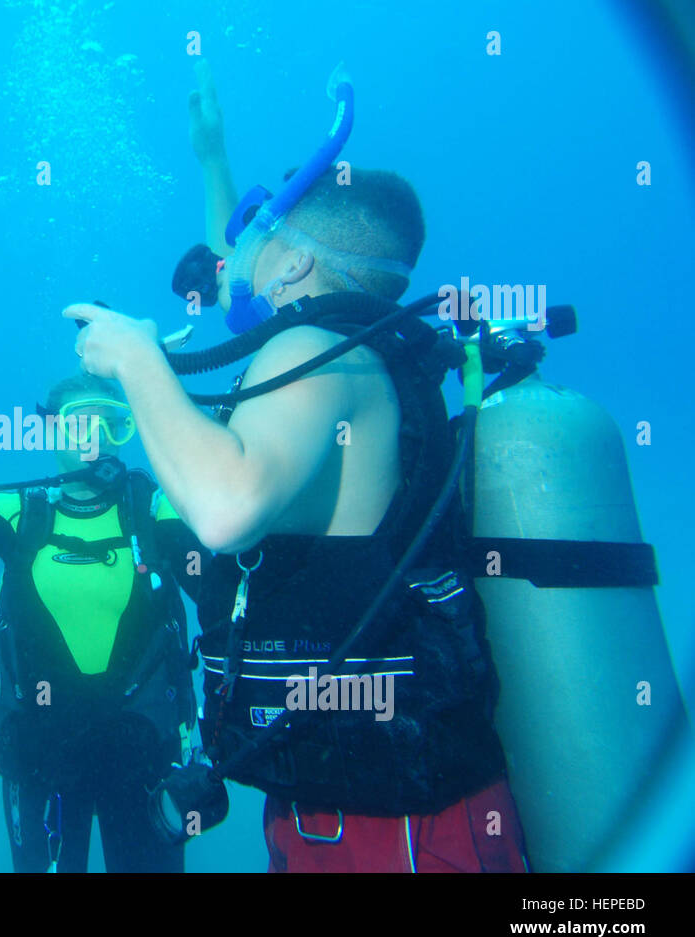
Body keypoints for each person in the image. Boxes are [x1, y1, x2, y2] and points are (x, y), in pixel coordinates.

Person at [65, 64, 528, 872]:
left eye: (261, 239)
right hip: (369, 802)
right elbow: (241, 275)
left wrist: (139, 361)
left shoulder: (315, 353)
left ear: (293, 268)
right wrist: (212, 157)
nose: (233, 258)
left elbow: (224, 509)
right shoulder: (359, 352)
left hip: (394, 830)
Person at [0, 373, 201, 872]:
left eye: (113, 425)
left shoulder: (155, 512)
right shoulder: (17, 511)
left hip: (142, 755)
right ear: (50, 432)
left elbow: (225, 578)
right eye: (79, 426)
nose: (96, 440)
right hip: (39, 756)